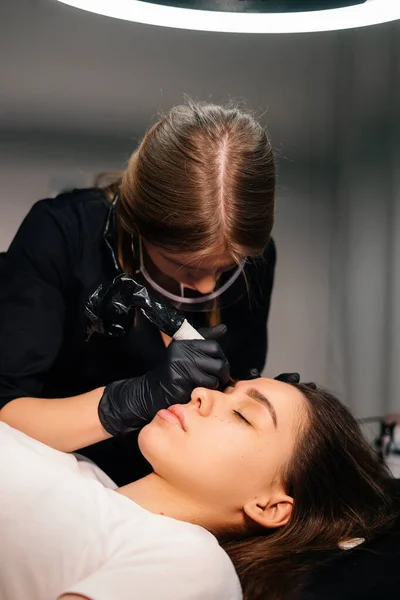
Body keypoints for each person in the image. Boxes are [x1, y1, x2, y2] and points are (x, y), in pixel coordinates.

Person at [0, 101, 276, 485]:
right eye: (186, 266)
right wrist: (132, 399)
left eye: (227, 265)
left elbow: (233, 386)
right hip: (58, 481)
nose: (209, 286)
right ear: (138, 224)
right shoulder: (62, 235)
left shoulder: (256, 260)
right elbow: (5, 413)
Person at [0, 376, 397, 600]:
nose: (201, 394)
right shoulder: (82, 471)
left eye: (243, 414)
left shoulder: (191, 563)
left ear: (269, 505)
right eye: (227, 392)